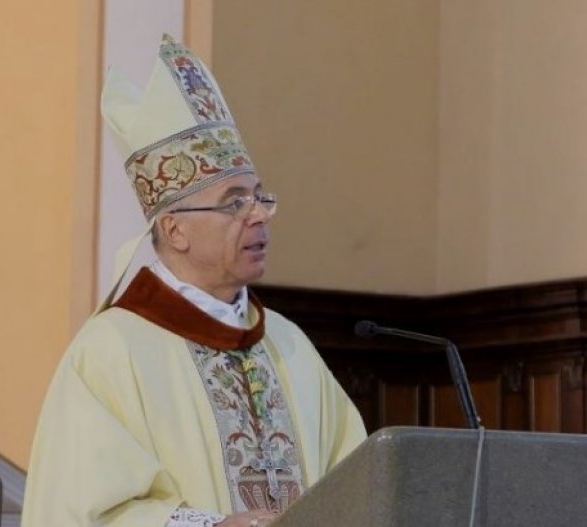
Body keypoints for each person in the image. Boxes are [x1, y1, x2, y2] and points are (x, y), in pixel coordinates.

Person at [22, 34, 366, 527]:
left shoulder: (289, 346)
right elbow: (89, 510)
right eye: (234, 202)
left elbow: (356, 483)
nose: (258, 216)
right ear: (174, 229)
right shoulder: (109, 352)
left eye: (259, 198)